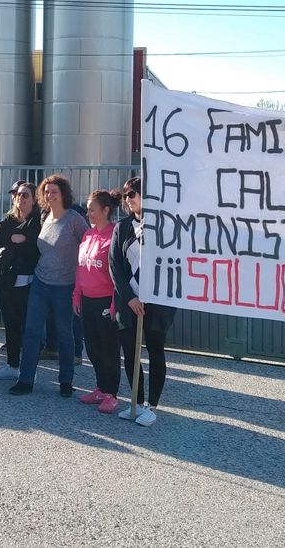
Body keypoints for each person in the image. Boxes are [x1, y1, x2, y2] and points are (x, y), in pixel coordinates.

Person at [10, 174, 88, 397]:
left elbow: (88, 245)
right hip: (41, 282)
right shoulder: (45, 217)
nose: (50, 195)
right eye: (46, 191)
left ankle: (65, 381)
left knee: (65, 333)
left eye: (54, 191)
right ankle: (26, 380)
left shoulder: (74, 219)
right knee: (32, 332)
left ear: (63, 194)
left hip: (65, 285)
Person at [109, 177, 176, 426]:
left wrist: (150, 296)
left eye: (134, 193)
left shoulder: (163, 225)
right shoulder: (121, 227)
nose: (129, 198)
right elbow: (115, 266)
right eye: (126, 194)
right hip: (130, 302)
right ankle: (135, 403)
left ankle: (152, 405)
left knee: (156, 349)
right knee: (130, 352)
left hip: (157, 302)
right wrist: (129, 298)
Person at [73, 189, 122, 413]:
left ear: (106, 210)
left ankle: (112, 393)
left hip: (105, 300)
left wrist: (115, 303)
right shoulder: (88, 235)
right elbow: (81, 268)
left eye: (92, 209)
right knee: (92, 347)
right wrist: (77, 294)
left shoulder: (114, 235)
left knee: (108, 348)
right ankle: (100, 387)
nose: (88, 212)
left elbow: (117, 274)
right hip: (87, 299)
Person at [0, 181, 41, 381]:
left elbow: (34, 247)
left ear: (35, 199)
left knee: (29, 328)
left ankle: (29, 370)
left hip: (30, 282)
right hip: (8, 280)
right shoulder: (9, 219)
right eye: (18, 194)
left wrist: (23, 240)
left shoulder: (39, 220)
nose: (20, 198)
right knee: (10, 325)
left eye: (25, 195)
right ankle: (12, 364)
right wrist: (12, 237)